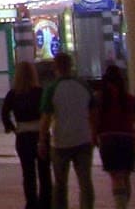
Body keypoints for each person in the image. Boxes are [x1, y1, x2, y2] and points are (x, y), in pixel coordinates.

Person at [42, 51, 96, 209]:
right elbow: (93, 112)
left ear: (55, 67)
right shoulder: (83, 85)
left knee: (60, 184)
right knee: (85, 181)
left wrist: (42, 141)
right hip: (83, 138)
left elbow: (45, 117)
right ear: (71, 65)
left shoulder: (52, 88)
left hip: (60, 142)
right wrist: (94, 133)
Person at [2, 59, 52, 209]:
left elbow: (4, 113)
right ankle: (46, 203)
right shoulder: (40, 92)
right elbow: (47, 113)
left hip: (23, 135)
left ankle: (31, 203)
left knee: (28, 173)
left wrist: (12, 127)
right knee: (44, 172)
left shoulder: (13, 94)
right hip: (40, 134)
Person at [93, 65, 135, 209]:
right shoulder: (129, 98)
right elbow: (134, 119)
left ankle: (120, 205)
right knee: (125, 175)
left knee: (116, 177)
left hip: (108, 138)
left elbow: (96, 119)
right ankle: (124, 204)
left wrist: (94, 135)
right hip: (128, 137)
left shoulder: (101, 99)